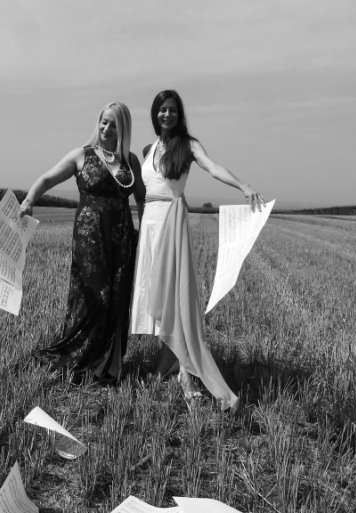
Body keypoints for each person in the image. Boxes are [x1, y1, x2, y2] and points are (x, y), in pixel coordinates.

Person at [130, 90, 265, 411]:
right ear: (155, 113)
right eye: (162, 109)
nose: (167, 114)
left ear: (179, 115)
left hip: (171, 223)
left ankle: (185, 373)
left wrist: (243, 186)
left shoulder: (188, 146)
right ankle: (169, 362)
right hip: (149, 224)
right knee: (157, 293)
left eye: (172, 110)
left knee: (175, 297)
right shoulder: (148, 149)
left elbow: (213, 167)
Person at [20, 102, 145, 383]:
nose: (106, 128)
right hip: (90, 237)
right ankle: (80, 358)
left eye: (113, 124)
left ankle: (107, 365)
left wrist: (147, 230)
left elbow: (142, 199)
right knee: (92, 296)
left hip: (122, 239)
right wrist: (29, 200)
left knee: (117, 297)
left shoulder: (131, 161)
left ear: (123, 128)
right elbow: (47, 179)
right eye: (103, 121)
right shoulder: (82, 154)